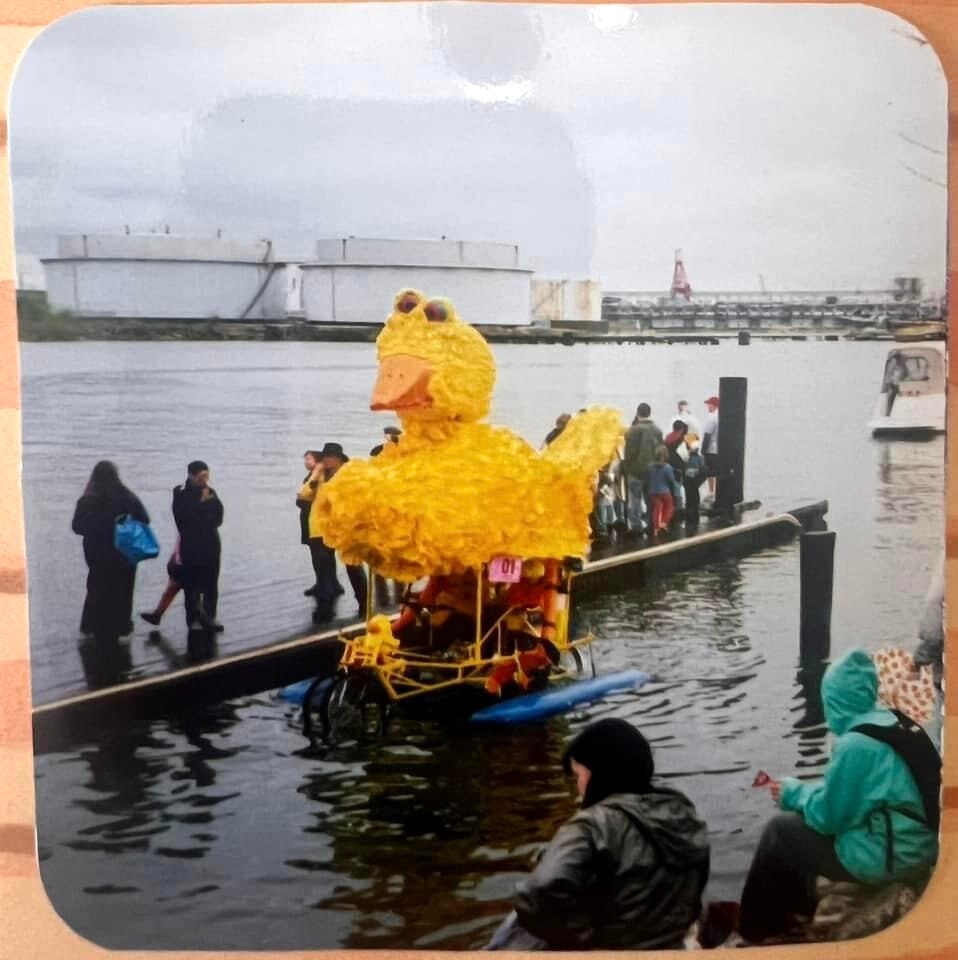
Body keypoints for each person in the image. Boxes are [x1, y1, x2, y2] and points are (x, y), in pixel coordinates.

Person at [739, 648, 939, 944]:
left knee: (781, 829)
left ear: (834, 700)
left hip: (895, 859)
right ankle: (797, 911)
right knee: (803, 821)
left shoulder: (856, 745)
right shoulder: (897, 723)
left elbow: (828, 818)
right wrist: (805, 792)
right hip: (921, 846)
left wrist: (793, 793)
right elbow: (858, 795)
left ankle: (755, 930)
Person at [488, 718, 710, 950]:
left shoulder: (591, 825)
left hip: (613, 950)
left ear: (600, 774)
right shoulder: (682, 810)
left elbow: (536, 895)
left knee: (516, 927)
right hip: (671, 945)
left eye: (579, 775)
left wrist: (580, 936)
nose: (578, 787)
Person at [72, 461, 150, 649]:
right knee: (124, 590)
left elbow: (77, 527)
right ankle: (122, 630)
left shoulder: (87, 500)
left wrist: (97, 527)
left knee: (96, 587)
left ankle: (88, 628)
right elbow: (145, 519)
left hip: (96, 553)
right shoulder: (127, 497)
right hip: (124, 552)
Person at [172, 460, 224, 634]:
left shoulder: (211, 492)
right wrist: (202, 504)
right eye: (202, 477)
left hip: (211, 544)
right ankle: (193, 619)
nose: (205, 480)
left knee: (211, 583)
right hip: (191, 545)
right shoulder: (180, 495)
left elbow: (218, 519)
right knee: (191, 584)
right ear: (191, 476)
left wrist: (209, 503)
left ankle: (209, 616)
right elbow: (183, 521)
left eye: (207, 476)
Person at [320, 442, 368, 618]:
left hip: (351, 525)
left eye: (330, 457)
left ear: (339, 459)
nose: (326, 460)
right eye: (325, 457)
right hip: (331, 527)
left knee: (353, 565)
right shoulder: (323, 476)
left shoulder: (348, 475)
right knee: (338, 565)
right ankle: (358, 601)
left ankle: (364, 603)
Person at [622, 402, 662, 533]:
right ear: (649, 413)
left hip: (636, 471)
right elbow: (661, 451)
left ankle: (636, 526)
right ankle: (652, 524)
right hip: (653, 470)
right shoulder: (657, 430)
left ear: (638, 413)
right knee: (650, 499)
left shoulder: (634, 430)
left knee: (635, 499)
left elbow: (629, 453)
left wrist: (627, 466)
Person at [139, 540, 183, 626]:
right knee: (173, 588)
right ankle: (157, 615)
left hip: (188, 562)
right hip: (183, 562)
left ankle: (157, 615)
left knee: (176, 587)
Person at [646, 445, 682, 536]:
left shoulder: (650, 466)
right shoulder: (667, 467)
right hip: (664, 491)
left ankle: (656, 528)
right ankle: (663, 523)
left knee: (657, 508)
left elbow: (648, 478)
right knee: (670, 506)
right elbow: (671, 480)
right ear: (665, 455)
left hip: (653, 492)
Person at [702, 396, 720, 495]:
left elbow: (707, 435)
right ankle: (717, 491)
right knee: (717, 471)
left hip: (711, 448)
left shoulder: (711, 418)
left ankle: (711, 492)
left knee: (710, 473)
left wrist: (703, 450)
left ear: (714, 406)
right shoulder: (720, 416)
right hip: (719, 448)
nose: (708, 406)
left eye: (709, 404)